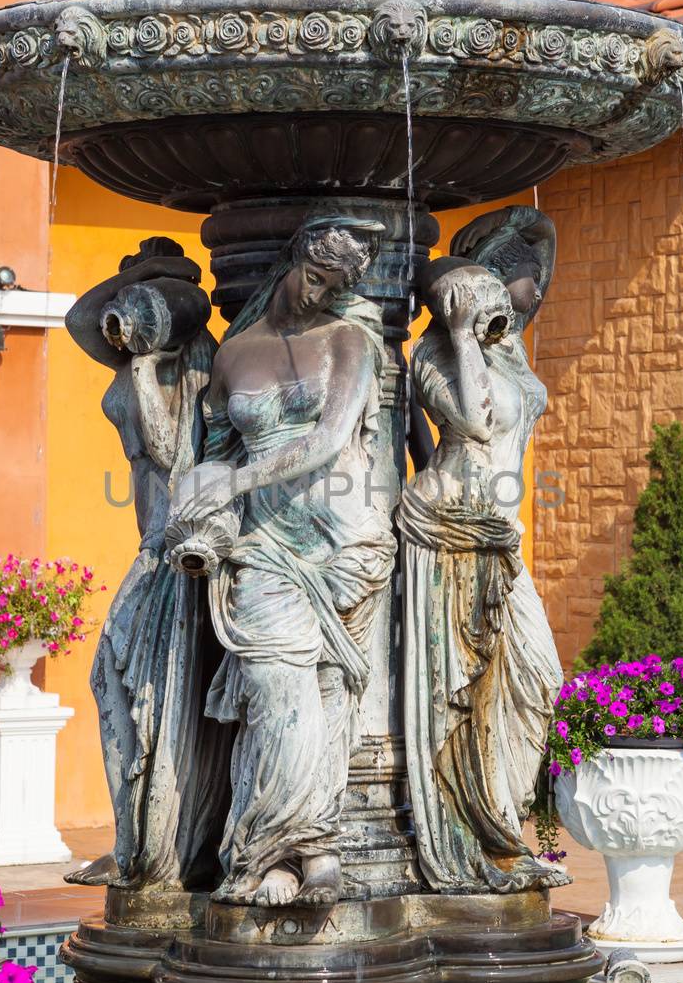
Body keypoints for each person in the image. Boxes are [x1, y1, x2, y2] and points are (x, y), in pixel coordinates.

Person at [168, 214, 395, 908]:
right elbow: (211, 450)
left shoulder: (350, 340)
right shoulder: (236, 354)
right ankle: (276, 846)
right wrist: (203, 499)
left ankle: (311, 854)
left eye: (334, 287)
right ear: (292, 259)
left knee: (327, 697)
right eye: (313, 276)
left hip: (343, 537)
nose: (316, 295)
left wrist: (236, 480)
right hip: (264, 542)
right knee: (274, 692)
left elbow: (329, 442)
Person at [399, 208, 567, 893]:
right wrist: (464, 335)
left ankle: (499, 821)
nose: (532, 293)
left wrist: (530, 224)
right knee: (464, 689)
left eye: (526, 283)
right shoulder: (434, 354)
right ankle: (476, 836)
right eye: (520, 281)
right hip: (455, 524)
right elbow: (468, 421)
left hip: (502, 532)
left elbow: (544, 242)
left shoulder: (513, 353)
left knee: (536, 680)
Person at [63, 240, 227, 888]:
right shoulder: (140, 348)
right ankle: (134, 840)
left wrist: (144, 360)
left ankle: (152, 849)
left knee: (139, 694)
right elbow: (81, 319)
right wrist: (139, 304)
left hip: (175, 553)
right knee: (116, 687)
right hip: (150, 551)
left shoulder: (192, 361)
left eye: (153, 294)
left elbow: (168, 455)